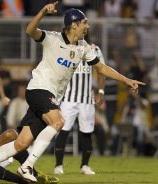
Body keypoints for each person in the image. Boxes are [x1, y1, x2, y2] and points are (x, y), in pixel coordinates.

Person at [0, 2, 145, 183]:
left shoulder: (83, 47)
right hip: (39, 89)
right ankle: (27, 166)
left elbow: (102, 69)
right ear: (74, 24)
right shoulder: (52, 38)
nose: (88, 26)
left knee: (21, 144)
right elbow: (30, 31)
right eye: (85, 22)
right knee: (58, 121)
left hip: (50, 97)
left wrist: (127, 80)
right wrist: (42, 12)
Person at [54, 29, 105, 175]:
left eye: (86, 30)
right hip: (68, 98)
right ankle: (58, 165)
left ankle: (85, 166)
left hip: (86, 100)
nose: (84, 31)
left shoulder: (94, 49)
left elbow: (101, 71)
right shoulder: (66, 47)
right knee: (62, 131)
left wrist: (101, 92)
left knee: (86, 132)